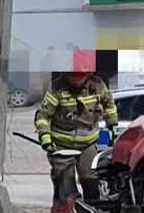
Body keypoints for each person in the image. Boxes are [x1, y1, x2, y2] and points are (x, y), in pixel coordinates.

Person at [35, 69, 119, 205]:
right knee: (65, 188)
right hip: (61, 146)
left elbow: (109, 106)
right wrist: (45, 136)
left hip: (88, 144)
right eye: (72, 77)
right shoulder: (57, 88)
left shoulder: (98, 86)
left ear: (88, 74)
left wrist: (112, 126)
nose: (76, 81)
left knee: (91, 182)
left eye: (80, 77)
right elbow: (43, 116)